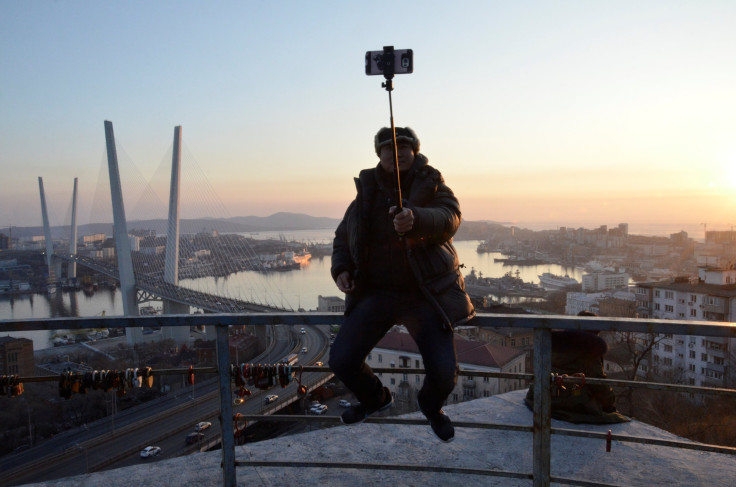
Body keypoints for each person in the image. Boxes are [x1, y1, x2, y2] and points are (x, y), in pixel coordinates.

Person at [328, 126, 475, 442]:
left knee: (444, 374)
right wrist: (341, 269)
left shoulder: (433, 183)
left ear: (416, 150)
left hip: (424, 295)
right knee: (341, 360)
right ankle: (375, 398)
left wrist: (416, 219)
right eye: (390, 149)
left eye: (405, 147)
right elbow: (343, 237)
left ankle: (431, 407)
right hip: (377, 294)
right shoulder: (366, 193)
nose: (398, 153)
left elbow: (450, 217)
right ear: (379, 155)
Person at [523, 311, 629, 424]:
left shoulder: (554, 343)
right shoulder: (590, 350)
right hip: (571, 403)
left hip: (542, 398)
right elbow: (599, 384)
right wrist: (610, 405)